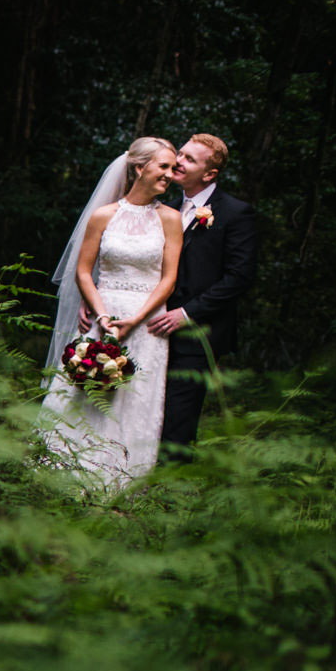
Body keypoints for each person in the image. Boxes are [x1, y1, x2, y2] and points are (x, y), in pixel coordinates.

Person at [40, 138, 184, 489]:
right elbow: (84, 271)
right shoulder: (103, 215)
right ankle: (63, 475)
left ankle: (122, 483)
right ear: (139, 168)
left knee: (135, 400)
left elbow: (169, 278)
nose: (171, 174)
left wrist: (136, 320)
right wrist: (102, 316)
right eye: (163, 166)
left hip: (145, 322)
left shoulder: (170, 219)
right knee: (84, 393)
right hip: (103, 316)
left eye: (172, 167)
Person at [144, 134, 260, 454]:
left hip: (198, 332)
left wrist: (186, 313)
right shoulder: (164, 208)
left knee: (179, 416)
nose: (178, 162)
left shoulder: (236, 213)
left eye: (189, 159)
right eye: (180, 154)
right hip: (152, 326)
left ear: (210, 174)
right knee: (145, 406)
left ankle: (168, 491)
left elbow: (239, 277)